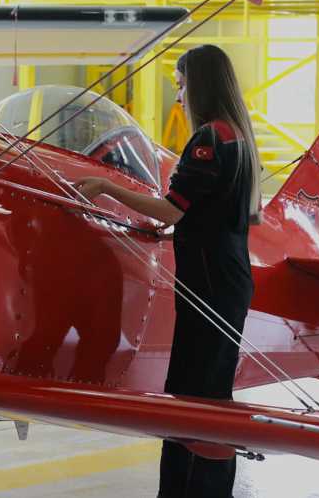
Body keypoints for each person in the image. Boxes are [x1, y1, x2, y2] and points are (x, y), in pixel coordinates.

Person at [74, 44, 261, 498]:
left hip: (209, 284)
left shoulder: (208, 140)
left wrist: (106, 186)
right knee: (213, 395)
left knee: (190, 398)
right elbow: (208, 211)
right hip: (227, 279)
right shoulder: (237, 136)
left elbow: (171, 208)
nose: (178, 96)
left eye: (181, 85)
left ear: (200, 84)